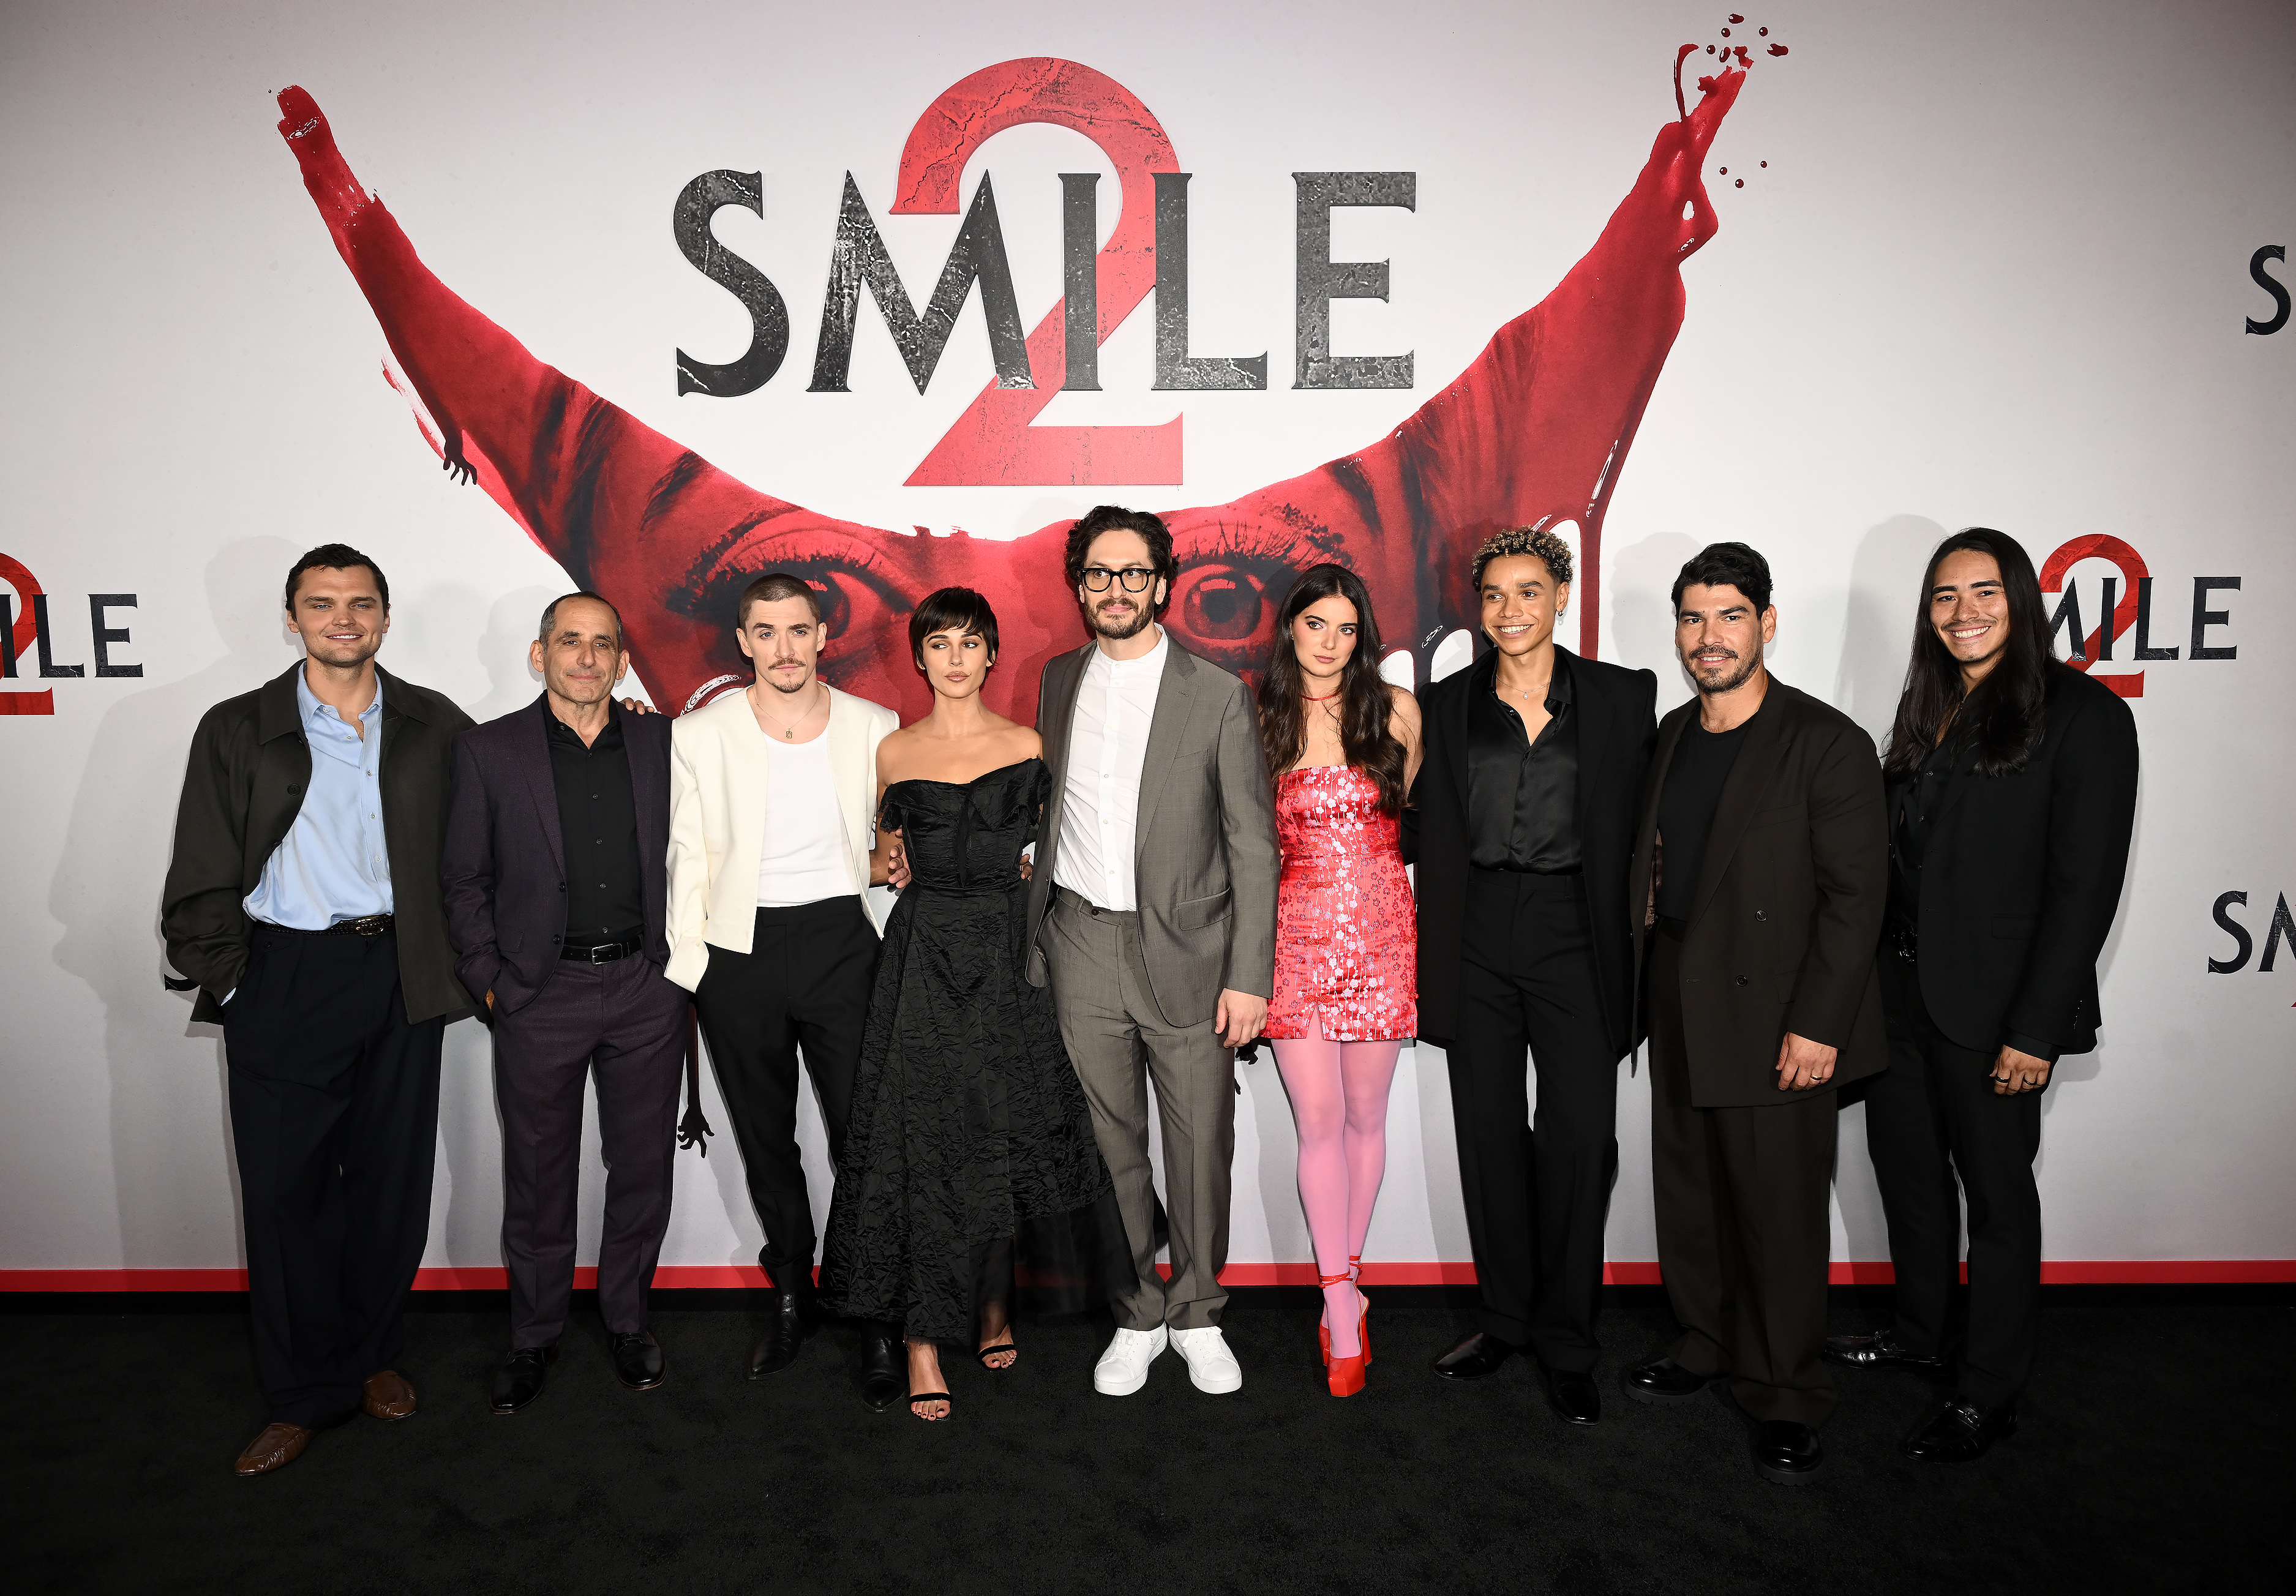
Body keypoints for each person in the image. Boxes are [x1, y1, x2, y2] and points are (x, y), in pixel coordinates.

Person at [161, 544, 475, 1476]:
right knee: (287, 1193)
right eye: (322, 603)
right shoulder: (235, 727)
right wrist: (236, 982)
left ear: (385, 616)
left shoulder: (435, 723)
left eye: (361, 603)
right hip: (286, 976)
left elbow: (503, 813)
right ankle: (303, 1393)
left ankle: (373, 1355)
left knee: (389, 1183)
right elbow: (199, 874)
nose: (344, 618)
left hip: (404, 974)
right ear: (291, 618)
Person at [1829, 528, 2139, 1463]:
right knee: (1910, 1183)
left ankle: (1989, 1389)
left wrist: (2034, 1032)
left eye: (1982, 594)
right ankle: (1920, 1335)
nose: (1962, 614)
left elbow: (2083, 891)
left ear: (2020, 601)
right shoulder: (1926, 709)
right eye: (1943, 598)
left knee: (1999, 1202)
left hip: (1997, 1016)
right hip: (1900, 1002)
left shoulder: (2083, 715)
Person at [821, 589, 1127, 1420]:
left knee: (999, 1129)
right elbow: (884, 857)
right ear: (918, 659)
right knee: (921, 1139)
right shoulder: (891, 752)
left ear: (992, 656)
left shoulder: (1029, 744)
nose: (954, 658)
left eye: (969, 644)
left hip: (1005, 955)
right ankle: (922, 1339)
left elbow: (1053, 845)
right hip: (920, 960)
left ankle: (993, 1304)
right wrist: (893, 861)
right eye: (939, 644)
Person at [1619, 542, 1889, 1486]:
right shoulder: (1670, 736)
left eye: (1728, 616)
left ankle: (1785, 1390)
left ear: (1766, 623)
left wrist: (1818, 1025)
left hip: (1778, 1012)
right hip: (1681, 987)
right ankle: (1704, 1342)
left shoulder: (1825, 742)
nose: (1708, 637)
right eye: (1692, 618)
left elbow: (1857, 900)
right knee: (1689, 1192)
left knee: (1777, 1212)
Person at [1019, 504, 1281, 1397]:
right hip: (1081, 940)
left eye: (1134, 573)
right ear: (1080, 586)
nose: (1116, 589)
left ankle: (1199, 1310)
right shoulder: (1057, 680)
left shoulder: (1215, 694)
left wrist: (1250, 975)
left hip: (1194, 950)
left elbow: (1252, 843)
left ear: (1162, 585)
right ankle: (1137, 1311)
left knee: (1199, 1144)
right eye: (1098, 573)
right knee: (1108, 1146)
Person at [1408, 526, 1656, 1427]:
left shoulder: (1624, 698)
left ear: (1561, 596)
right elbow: (1414, 820)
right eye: (1493, 596)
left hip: (1575, 934)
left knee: (1579, 1142)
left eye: (1527, 592)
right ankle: (1504, 1321)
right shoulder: (1443, 705)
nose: (1509, 611)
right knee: (1488, 1136)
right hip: (1474, 932)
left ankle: (1568, 1342)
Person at [440, 592, 688, 1413]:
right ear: (538, 654)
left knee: (643, 1167)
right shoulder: (487, 751)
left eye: (603, 644)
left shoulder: (663, 739)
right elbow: (463, 881)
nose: (587, 657)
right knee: (539, 1175)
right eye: (569, 641)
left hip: (646, 990)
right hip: (540, 994)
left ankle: (627, 1319)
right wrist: (492, 982)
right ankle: (534, 1335)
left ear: (623, 662)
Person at [664, 572, 902, 1405]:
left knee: (862, 1141)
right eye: (766, 632)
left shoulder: (876, 726)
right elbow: (687, 857)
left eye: (798, 630)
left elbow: (893, 840)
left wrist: (890, 867)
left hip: (845, 943)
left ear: (821, 634)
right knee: (768, 1143)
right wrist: (696, 970)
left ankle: (873, 1310)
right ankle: (794, 1296)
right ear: (743, 641)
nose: (784, 648)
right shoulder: (699, 734)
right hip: (741, 952)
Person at [1254, 564, 1422, 1398]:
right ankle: (1343, 1304)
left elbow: (1405, 820)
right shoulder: (1260, 721)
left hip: (1382, 932)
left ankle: (1342, 1289)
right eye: (1315, 624)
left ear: (1364, 637)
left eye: (1345, 627)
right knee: (1317, 1124)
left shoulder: (1395, 712)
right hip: (1293, 938)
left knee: (1365, 1118)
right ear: (1290, 629)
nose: (1329, 642)